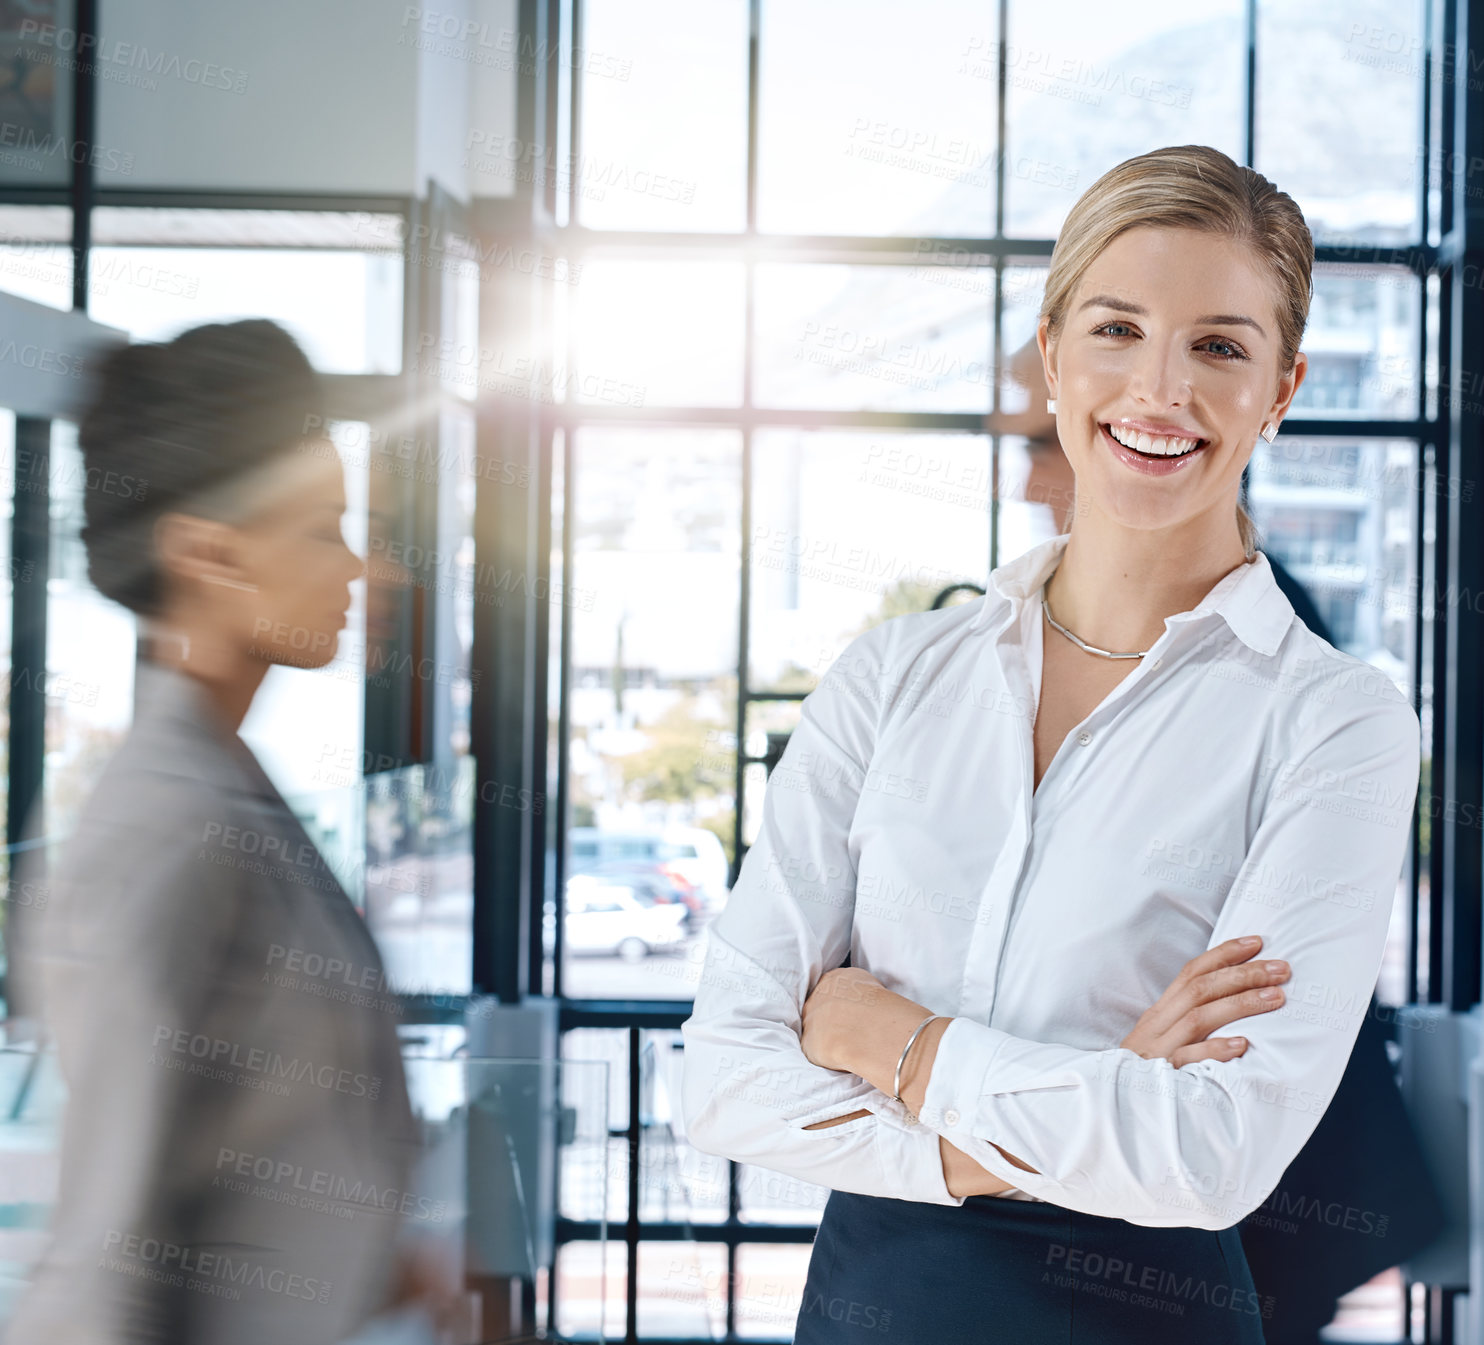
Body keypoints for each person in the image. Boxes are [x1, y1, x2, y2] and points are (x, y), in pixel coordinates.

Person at [680, 144, 1422, 1343]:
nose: (1159, 389)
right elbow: (720, 1081)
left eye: (1219, 347)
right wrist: (1080, 1100)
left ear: (1279, 390)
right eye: (1116, 329)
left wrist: (894, 1040)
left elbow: (1206, 1155)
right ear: (1052, 351)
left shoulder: (1332, 719)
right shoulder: (891, 679)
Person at [6, 320, 453, 1344]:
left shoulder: (229, 783)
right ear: (208, 552)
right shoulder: (168, 826)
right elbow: (108, 1247)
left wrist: (389, 1271)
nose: (364, 570)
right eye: (323, 530)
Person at [996, 334, 1446, 1342]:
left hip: (1252, 1182)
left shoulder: (1247, 630)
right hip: (1189, 1179)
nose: (1022, 472)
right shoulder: (1041, 629)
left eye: (1037, 438)